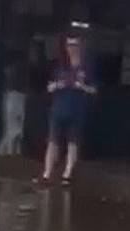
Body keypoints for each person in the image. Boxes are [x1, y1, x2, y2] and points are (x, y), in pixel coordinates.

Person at [34, 35, 97, 186]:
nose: (71, 48)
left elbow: (94, 90)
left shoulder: (87, 68)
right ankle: (47, 174)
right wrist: (57, 86)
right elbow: (49, 87)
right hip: (58, 109)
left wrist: (82, 86)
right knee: (52, 141)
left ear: (80, 47)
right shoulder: (60, 67)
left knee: (72, 142)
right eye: (69, 45)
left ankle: (67, 174)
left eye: (74, 45)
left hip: (76, 110)